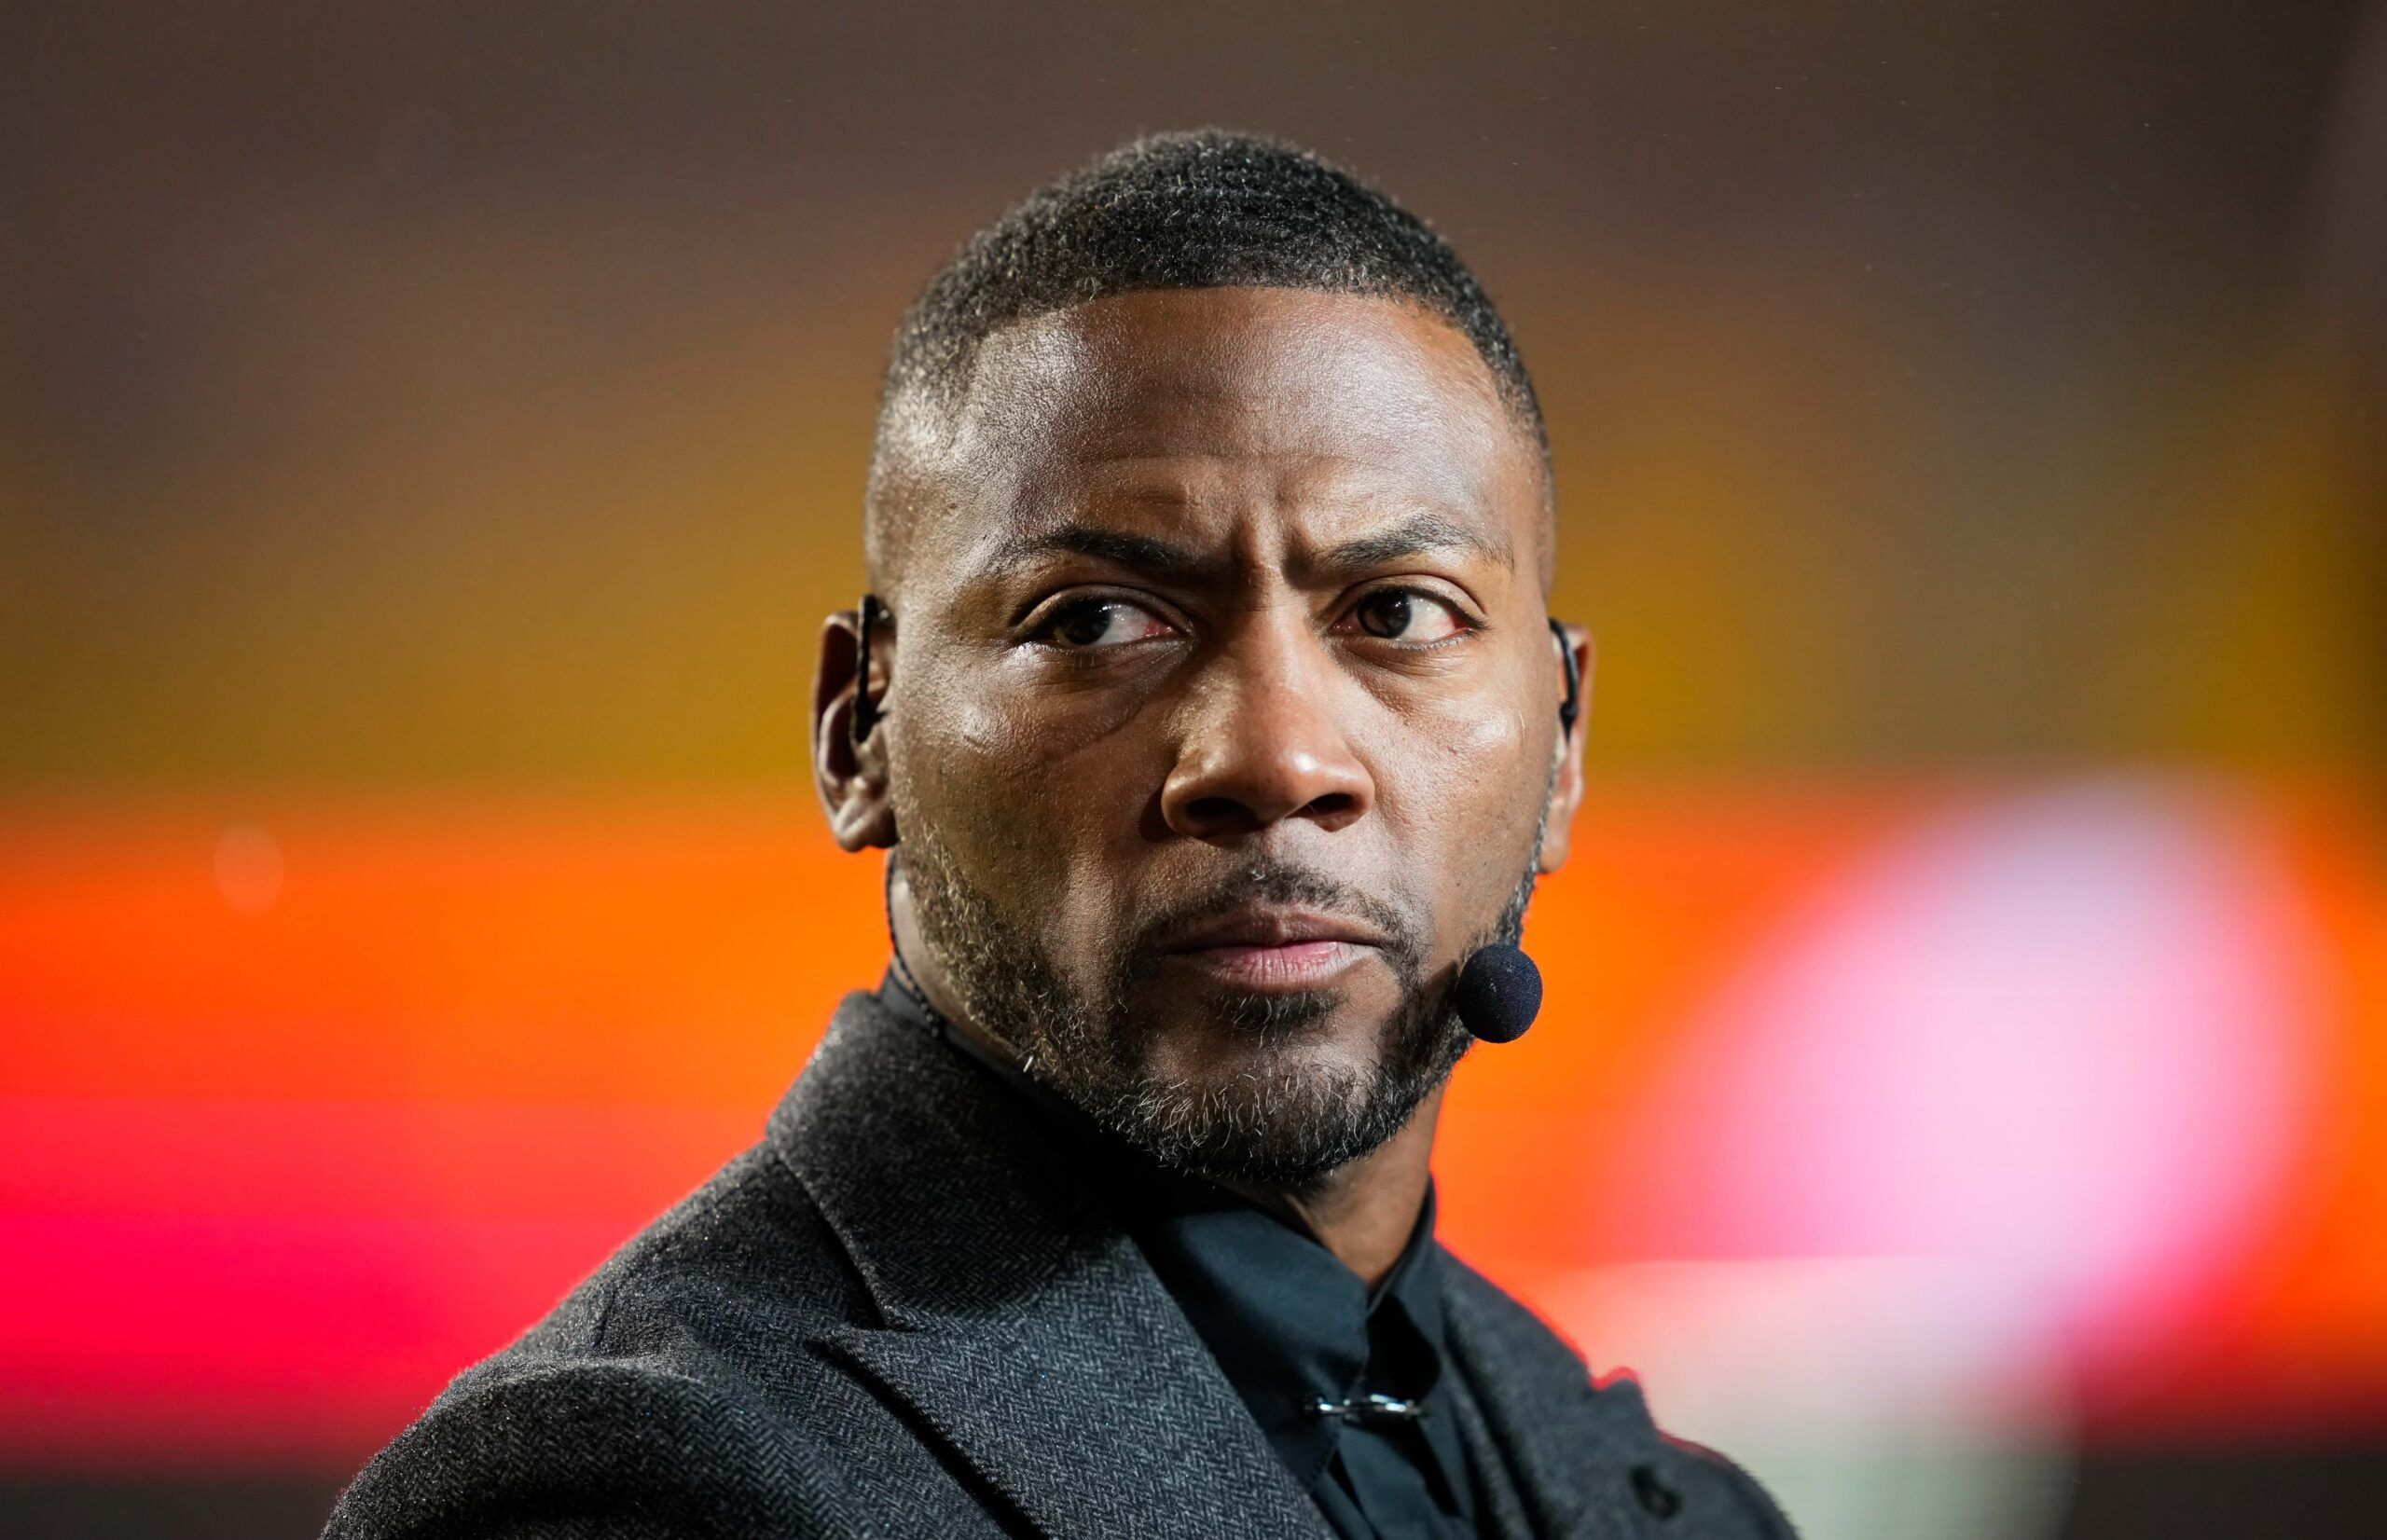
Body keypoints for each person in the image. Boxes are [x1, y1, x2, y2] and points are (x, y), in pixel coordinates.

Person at [324, 129, 1797, 1540]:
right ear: (860, 735)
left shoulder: (1668, 1501)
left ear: (1563, 742)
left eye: (1397, 613)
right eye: (1097, 620)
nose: (1276, 757)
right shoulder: (634, 1493)